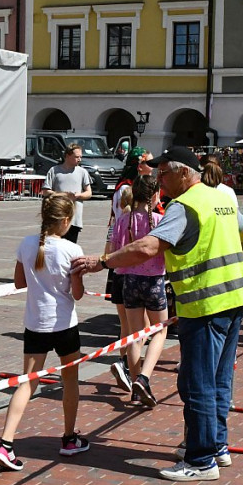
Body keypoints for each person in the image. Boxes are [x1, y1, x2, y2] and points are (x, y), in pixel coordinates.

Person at [73, 147, 243, 482]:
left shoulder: (184, 205)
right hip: (234, 299)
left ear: (183, 172)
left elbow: (147, 247)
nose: (158, 180)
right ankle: (216, 446)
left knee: (197, 382)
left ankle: (201, 460)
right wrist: (228, 259)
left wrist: (101, 262)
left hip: (205, 304)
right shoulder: (222, 198)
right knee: (219, 379)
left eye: (162, 173)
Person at [0, 192, 89, 471]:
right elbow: (78, 295)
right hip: (65, 324)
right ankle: (69, 438)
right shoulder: (72, 250)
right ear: (66, 221)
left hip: (35, 323)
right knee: (70, 380)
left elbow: (19, 282)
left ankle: (5, 442)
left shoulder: (27, 244)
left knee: (27, 382)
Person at [108, 175, 169, 407]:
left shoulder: (123, 219)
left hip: (129, 279)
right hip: (153, 281)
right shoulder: (160, 220)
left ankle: (135, 384)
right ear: (155, 196)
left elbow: (115, 248)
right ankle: (144, 378)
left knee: (135, 335)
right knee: (160, 331)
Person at [106, 147, 149, 392]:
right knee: (136, 325)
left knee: (129, 324)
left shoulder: (125, 212)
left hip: (121, 265)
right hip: (133, 268)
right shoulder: (126, 190)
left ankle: (127, 365)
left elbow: (112, 236)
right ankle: (129, 367)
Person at [42, 144, 92, 243]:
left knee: (71, 248)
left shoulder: (82, 172)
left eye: (80, 157)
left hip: (74, 219)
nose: (79, 159)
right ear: (67, 156)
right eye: (76, 157)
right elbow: (45, 191)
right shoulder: (54, 171)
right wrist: (62, 195)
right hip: (57, 216)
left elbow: (89, 193)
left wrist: (78, 195)